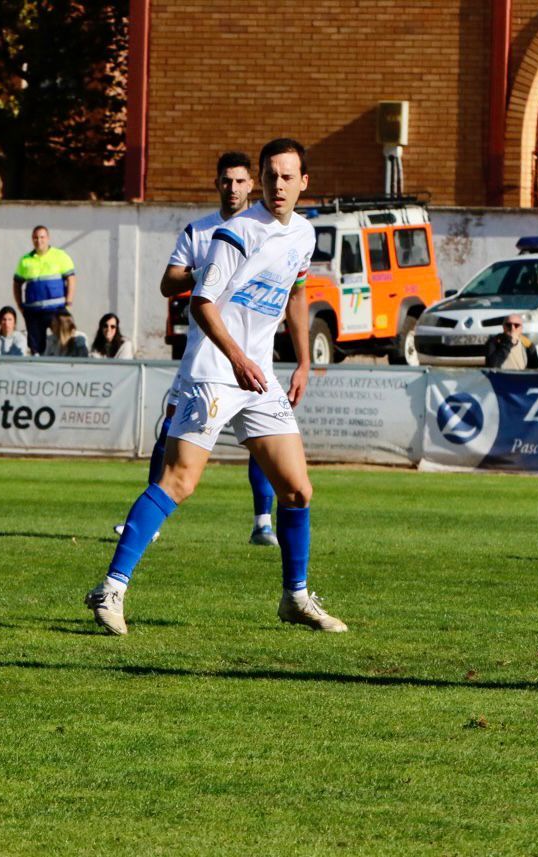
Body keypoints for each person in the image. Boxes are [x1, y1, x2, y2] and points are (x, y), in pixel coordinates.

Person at [85, 138, 347, 636]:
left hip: (259, 376)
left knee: (296, 490)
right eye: (271, 176)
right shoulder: (236, 233)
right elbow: (200, 304)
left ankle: (295, 598)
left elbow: (296, 295)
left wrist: (303, 363)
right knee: (179, 481)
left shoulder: (305, 235)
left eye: (288, 176)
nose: (278, 185)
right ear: (261, 181)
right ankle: (111, 588)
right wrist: (238, 357)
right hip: (213, 372)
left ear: (304, 182)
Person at [132, 151, 280, 547]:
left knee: (262, 440)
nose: (233, 188)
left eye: (240, 181)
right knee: (170, 430)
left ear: (252, 184)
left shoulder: (267, 231)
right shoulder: (199, 232)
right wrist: (204, 270)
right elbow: (167, 284)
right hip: (201, 355)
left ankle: (263, 522)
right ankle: (152, 521)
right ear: (217, 184)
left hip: (249, 354)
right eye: (226, 181)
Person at [13, 225, 76, 355]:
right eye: (35, 237)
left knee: (64, 342)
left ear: (48, 238)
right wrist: (20, 305)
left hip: (57, 310)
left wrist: (68, 303)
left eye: (42, 237)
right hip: (34, 312)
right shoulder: (25, 260)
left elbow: (71, 279)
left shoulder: (60, 256)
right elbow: (17, 283)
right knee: (36, 348)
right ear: (32, 239)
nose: (39, 240)